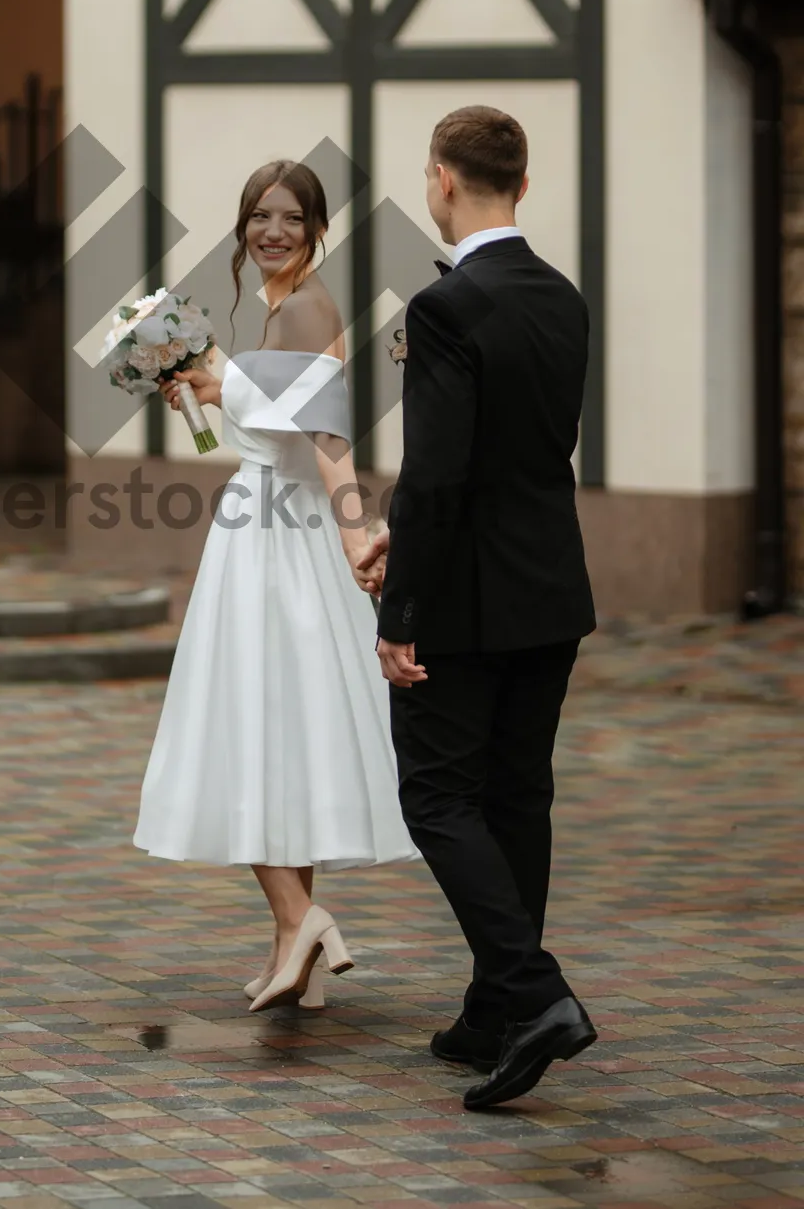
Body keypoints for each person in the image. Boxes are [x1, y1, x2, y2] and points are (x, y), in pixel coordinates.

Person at [134, 160, 418, 1011]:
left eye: (290, 217)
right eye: (259, 215)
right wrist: (212, 388)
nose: (272, 230)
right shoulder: (280, 310)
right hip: (263, 527)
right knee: (280, 729)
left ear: (317, 227)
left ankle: (304, 915)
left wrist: (356, 530)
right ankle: (288, 944)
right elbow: (284, 419)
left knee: (248, 723)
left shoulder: (305, 305)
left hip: (275, 537)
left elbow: (328, 440)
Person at [358, 106, 597, 1111]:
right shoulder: (564, 296)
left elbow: (442, 472)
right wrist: (397, 534)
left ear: (444, 183)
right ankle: (495, 1009)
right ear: (524, 187)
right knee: (517, 797)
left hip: (463, 598)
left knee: (440, 799)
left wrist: (398, 605)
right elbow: (518, 453)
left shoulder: (446, 306)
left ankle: (535, 994)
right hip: (551, 584)